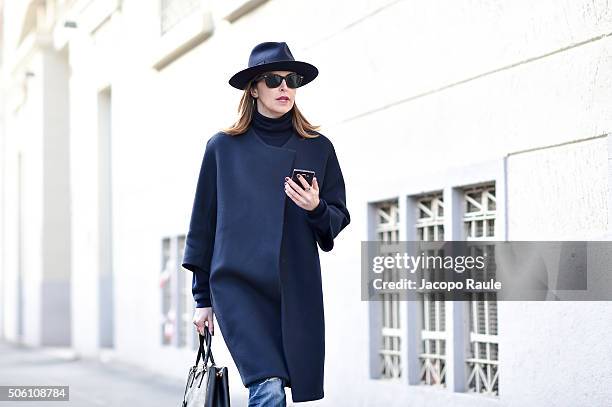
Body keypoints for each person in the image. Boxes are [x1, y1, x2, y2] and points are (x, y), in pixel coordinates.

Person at [182, 41, 351, 406]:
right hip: (237, 286)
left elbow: (335, 221)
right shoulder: (222, 148)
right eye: (274, 80)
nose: (284, 88)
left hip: (294, 289)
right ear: (254, 88)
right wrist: (202, 299)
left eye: (291, 80)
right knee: (268, 384)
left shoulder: (318, 147)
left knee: (278, 385)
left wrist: (316, 207)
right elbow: (203, 227)